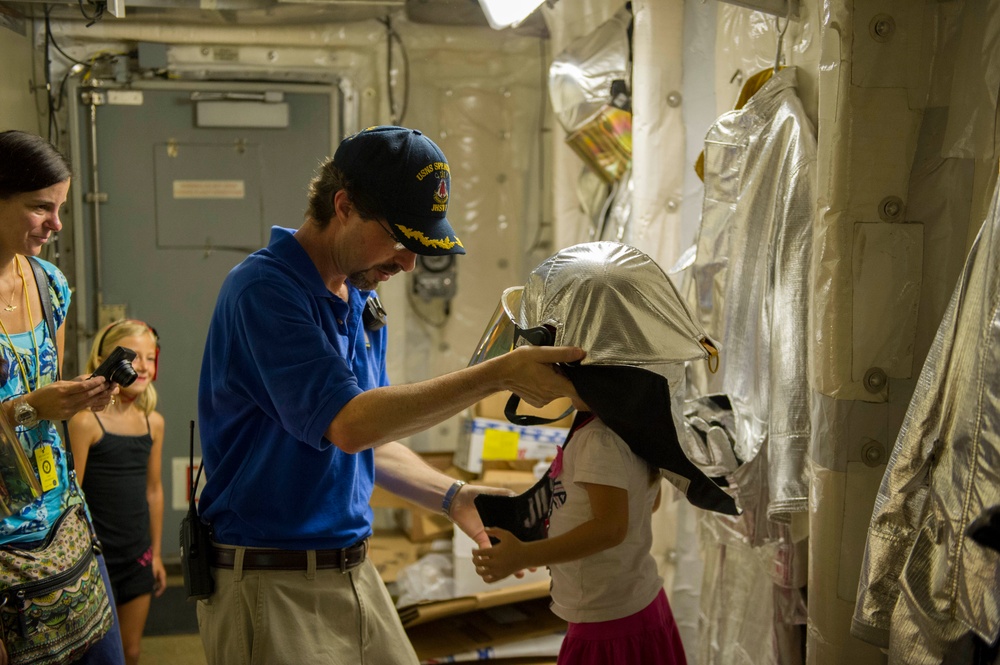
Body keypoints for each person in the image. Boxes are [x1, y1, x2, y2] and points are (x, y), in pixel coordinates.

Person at [196, 125, 585, 665]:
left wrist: (452, 496)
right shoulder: (264, 291)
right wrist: (494, 376)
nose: (408, 263)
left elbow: (369, 441)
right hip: (273, 580)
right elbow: (350, 424)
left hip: (352, 570)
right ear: (344, 206)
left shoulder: (359, 298)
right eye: (401, 240)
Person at [469, 241, 723, 665]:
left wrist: (524, 555)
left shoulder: (599, 440)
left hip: (606, 625)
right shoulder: (629, 425)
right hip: (634, 607)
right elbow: (646, 502)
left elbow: (610, 529)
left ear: (573, 363)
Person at [0, 129, 123, 664]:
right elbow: (31, 402)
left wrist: (79, 395)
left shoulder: (50, 285)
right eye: (40, 208)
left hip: (67, 523)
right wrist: (31, 409)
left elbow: (45, 382)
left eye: (61, 208)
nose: (56, 224)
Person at [68, 320, 166, 665]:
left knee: (132, 651)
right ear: (104, 360)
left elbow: (154, 490)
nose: (143, 366)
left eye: (150, 357)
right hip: (96, 559)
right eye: (133, 357)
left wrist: (156, 555)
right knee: (100, 654)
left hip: (137, 556)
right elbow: (72, 499)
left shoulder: (153, 422)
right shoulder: (85, 422)